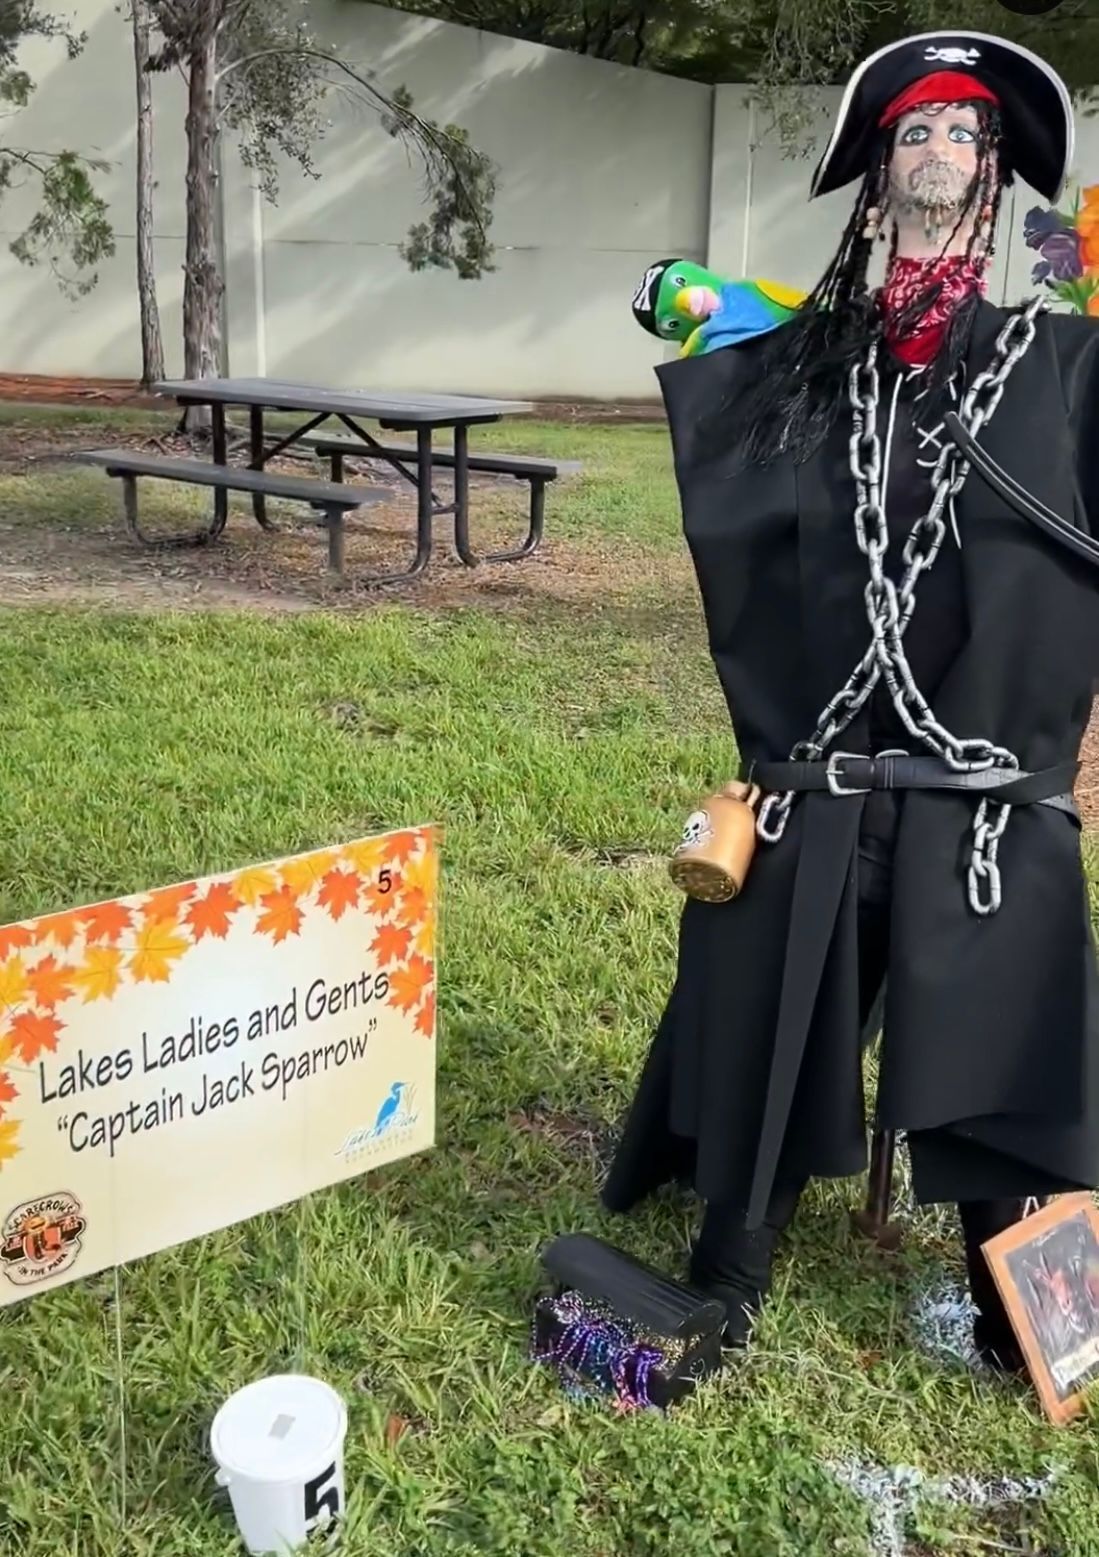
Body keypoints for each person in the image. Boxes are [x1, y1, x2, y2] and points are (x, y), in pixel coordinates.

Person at [604, 29, 1099, 1372]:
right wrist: (704, 300)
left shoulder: (1057, 370)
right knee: (770, 971)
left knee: (1001, 1007)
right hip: (827, 772)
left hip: (985, 795)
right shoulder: (808, 357)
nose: (936, 152)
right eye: (913, 135)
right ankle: (733, 1257)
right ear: (879, 177)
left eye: (961, 135)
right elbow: (673, 307)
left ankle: (1024, 1306)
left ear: (995, 178)